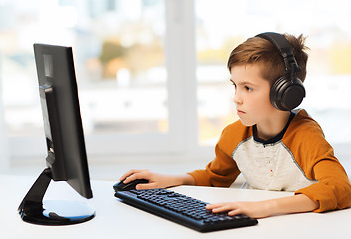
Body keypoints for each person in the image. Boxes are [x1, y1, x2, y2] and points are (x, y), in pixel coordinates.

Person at [119, 32, 351, 219]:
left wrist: (265, 207)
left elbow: (340, 187)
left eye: (248, 88)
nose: (236, 98)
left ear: (286, 93)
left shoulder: (305, 136)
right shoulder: (234, 135)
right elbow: (215, 177)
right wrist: (173, 179)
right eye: (235, 86)